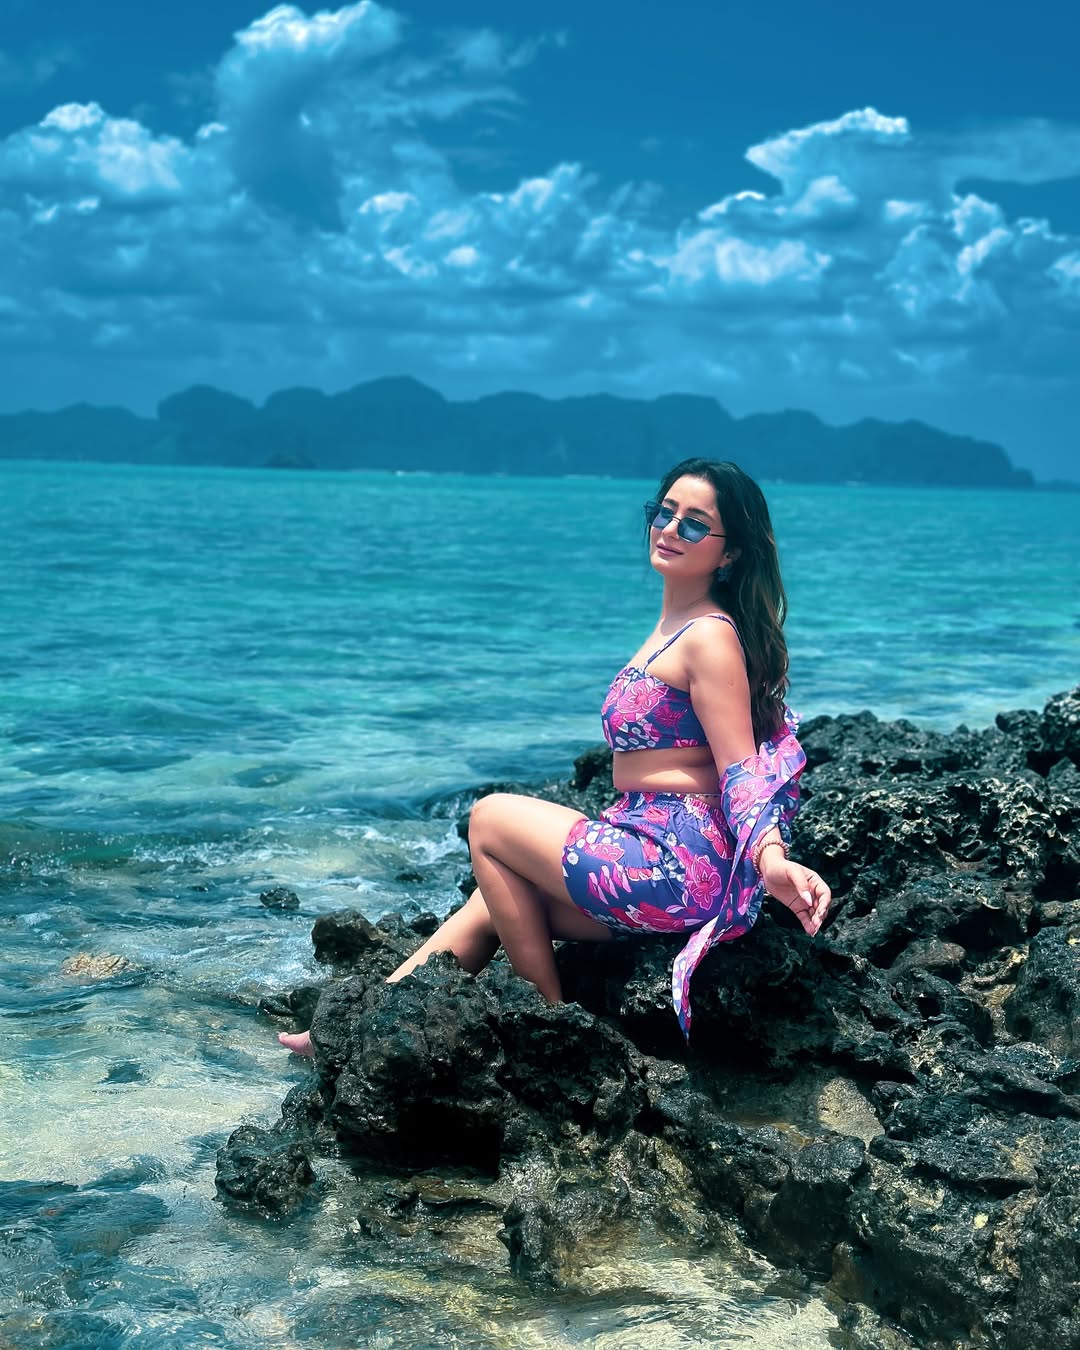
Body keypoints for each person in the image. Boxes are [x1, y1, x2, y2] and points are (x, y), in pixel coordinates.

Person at [280, 457, 830, 1055]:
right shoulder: (678, 624)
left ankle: (552, 1022)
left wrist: (772, 860)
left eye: (695, 524)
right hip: (651, 842)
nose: (670, 529)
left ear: (730, 553)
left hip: (678, 861)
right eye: (664, 512)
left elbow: (741, 768)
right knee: (496, 901)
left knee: (489, 817)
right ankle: (348, 1035)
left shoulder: (709, 636)